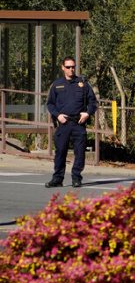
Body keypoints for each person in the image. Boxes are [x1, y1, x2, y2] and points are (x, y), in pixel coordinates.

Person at [45, 57, 97, 188]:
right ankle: (57, 179)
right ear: (62, 67)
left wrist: (87, 113)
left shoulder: (83, 83)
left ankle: (76, 177)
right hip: (63, 123)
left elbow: (93, 102)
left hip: (78, 123)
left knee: (79, 152)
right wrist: (57, 115)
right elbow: (50, 104)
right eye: (68, 67)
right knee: (60, 151)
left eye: (73, 67)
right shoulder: (57, 85)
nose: (71, 69)